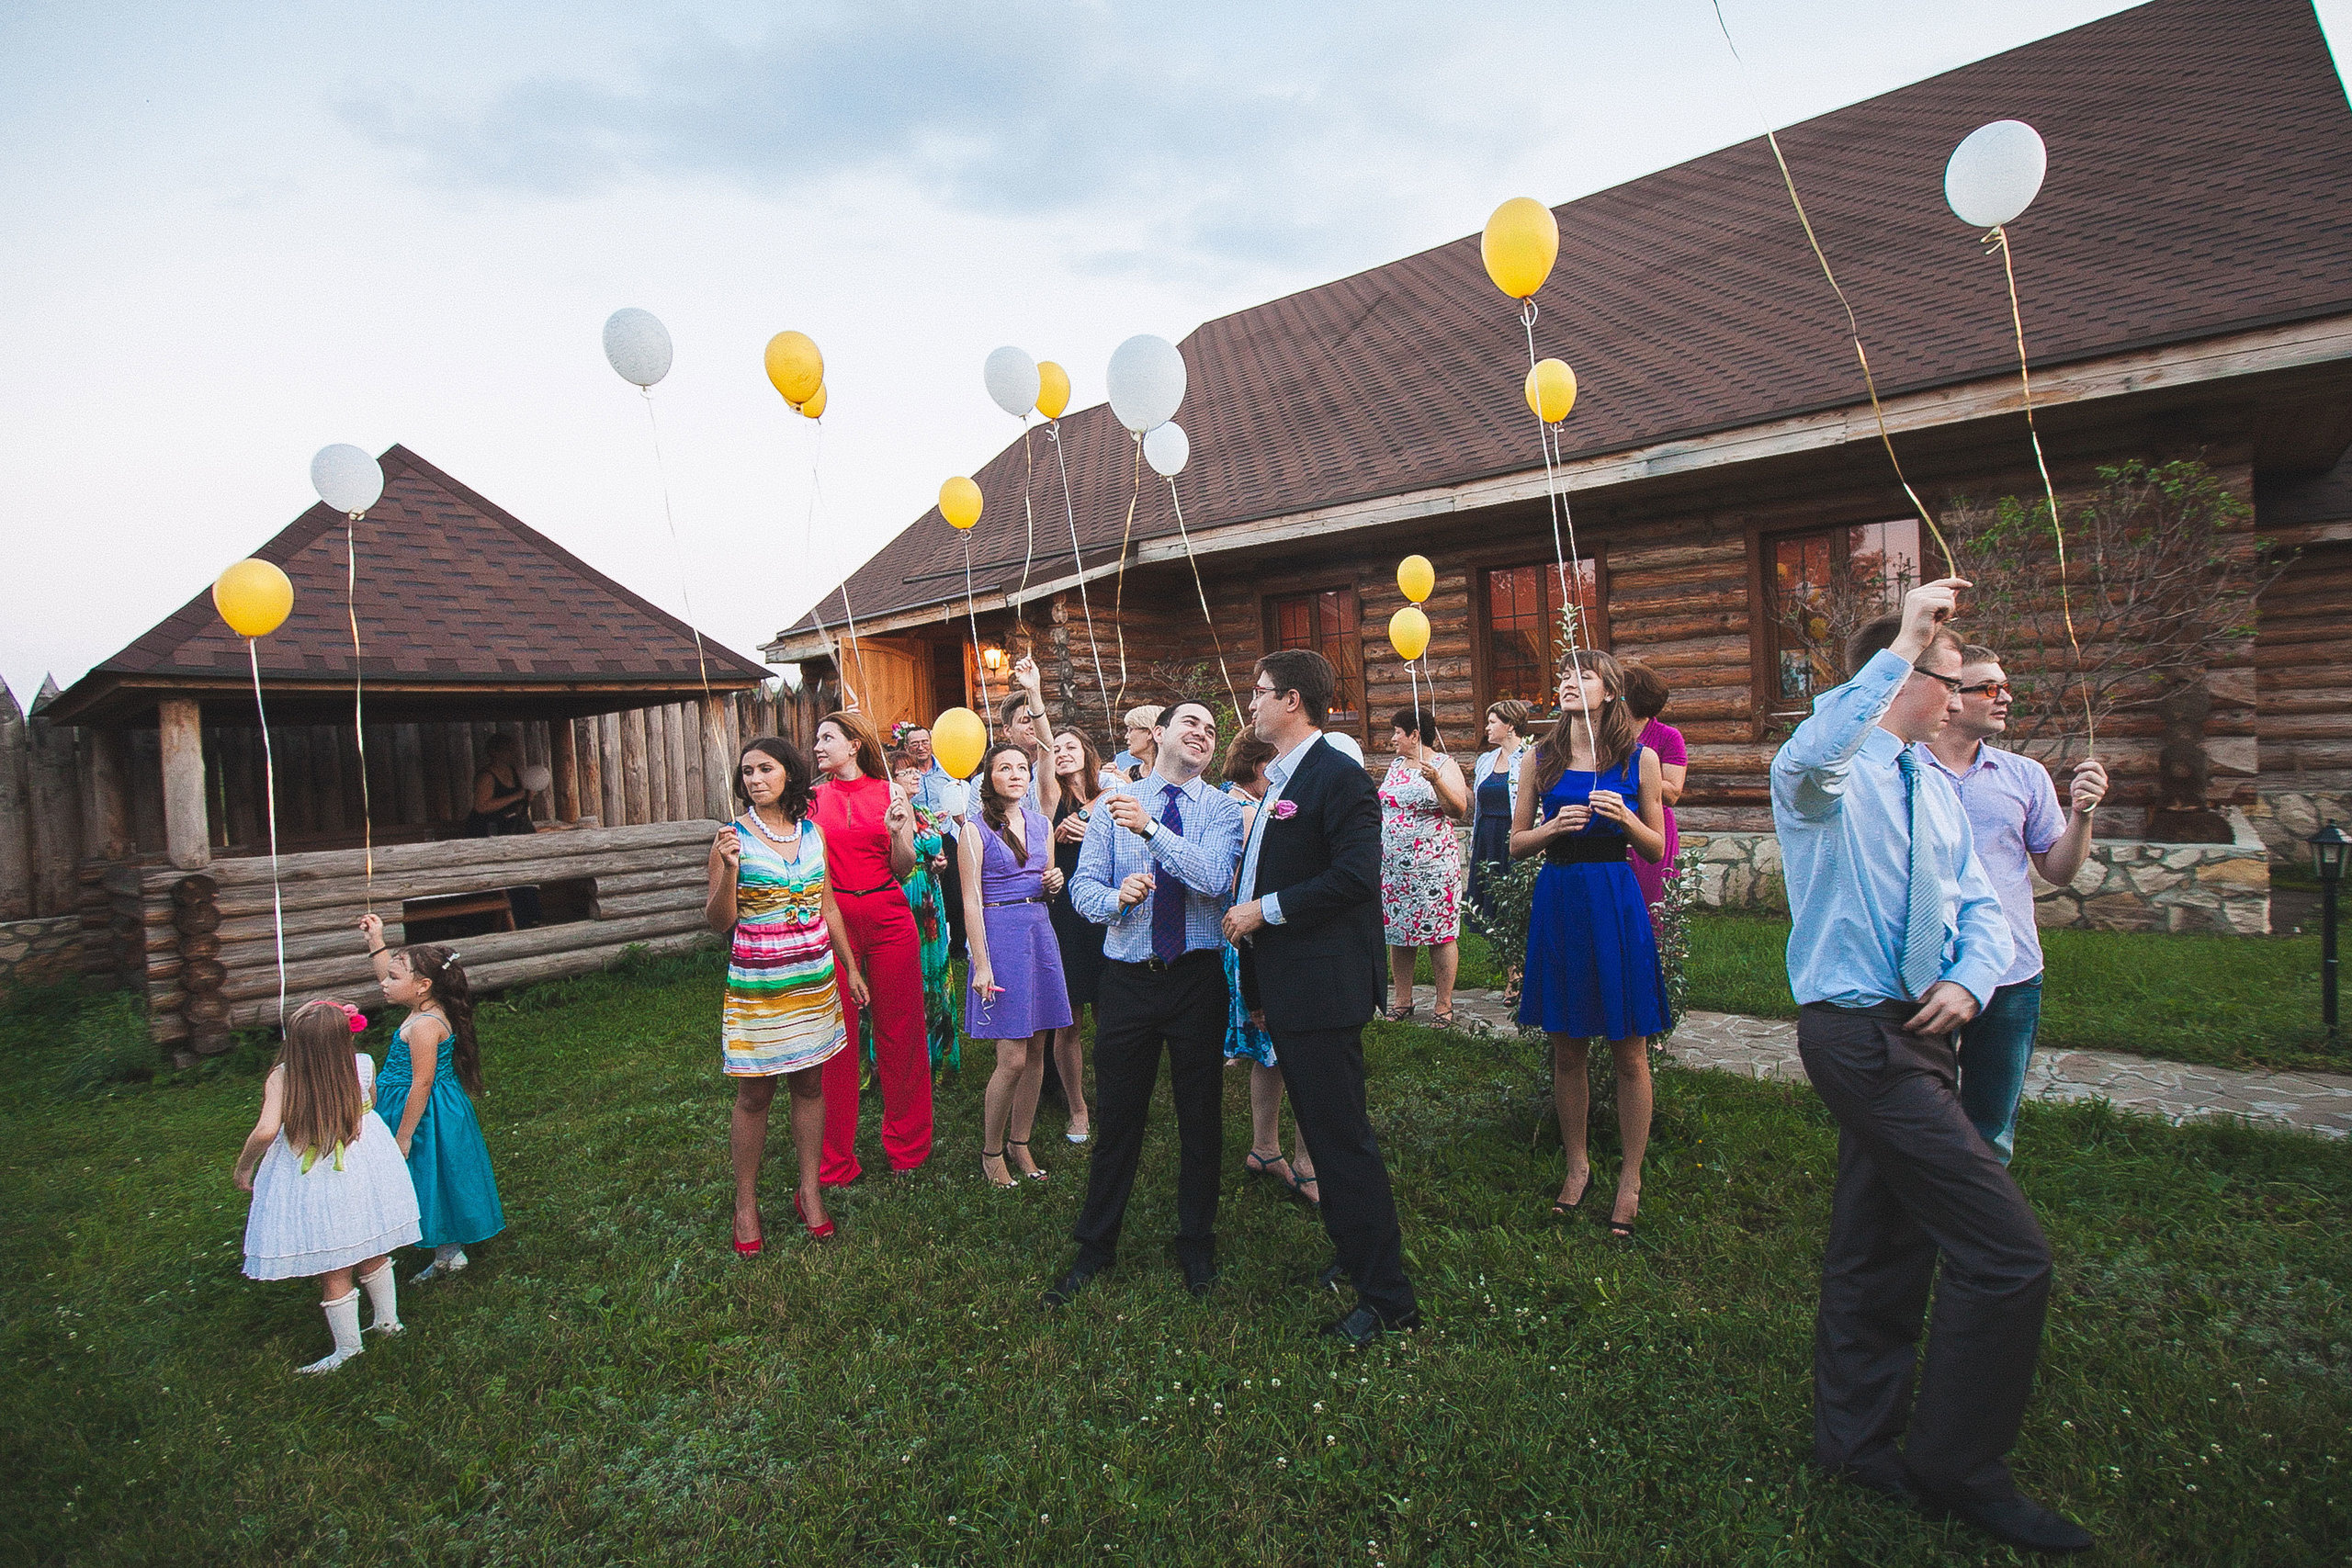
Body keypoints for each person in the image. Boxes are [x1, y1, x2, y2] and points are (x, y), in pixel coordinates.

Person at [1773, 580, 2087, 1556]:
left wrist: (1969, 978)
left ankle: (1854, 1444)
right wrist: (1905, 637)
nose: (1959, 700)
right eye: (1947, 681)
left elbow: (1982, 907)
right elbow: (1813, 754)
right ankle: (1961, 1469)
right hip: (1857, 1035)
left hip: (1924, 1033)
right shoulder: (1828, 773)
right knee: (2008, 1253)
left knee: (1881, 1242)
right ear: (1904, 675)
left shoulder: (1934, 788)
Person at [1225, 650, 1420, 1344]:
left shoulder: (1338, 777)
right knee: (1326, 1132)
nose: (1251, 702)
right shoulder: (1283, 777)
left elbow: (1355, 877)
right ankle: (1354, 1248)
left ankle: (1388, 1297)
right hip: (1290, 987)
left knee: (1342, 1141)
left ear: (1294, 701)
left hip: (1325, 987)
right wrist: (1258, 986)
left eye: (1260, 691)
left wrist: (1264, 911)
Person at [1047, 697, 1246, 1303]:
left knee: (1200, 1118)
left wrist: (1152, 831)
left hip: (1196, 979)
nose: (1203, 733)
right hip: (1128, 980)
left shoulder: (1222, 808)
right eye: (1191, 722)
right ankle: (1095, 1246)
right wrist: (1116, 899)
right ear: (1158, 733)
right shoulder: (1113, 805)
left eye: (1211, 729)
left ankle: (1197, 1244)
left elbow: (1213, 880)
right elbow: (1083, 887)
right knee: (1120, 1117)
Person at [1921, 647, 2109, 1163]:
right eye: (1988, 688)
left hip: (2011, 972)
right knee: (1920, 1118)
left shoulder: (2024, 775)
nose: (2004, 697)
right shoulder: (1905, 770)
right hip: (1924, 971)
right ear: (1951, 696)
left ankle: (1983, 1203)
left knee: (1991, 1125)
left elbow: (2058, 871)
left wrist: (2083, 814)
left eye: (2005, 687)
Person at [1510, 651, 1669, 1240]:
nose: (1569, 682)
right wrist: (1551, 828)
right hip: (1560, 898)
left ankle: (1630, 1177)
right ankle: (1577, 1166)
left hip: (1614, 898)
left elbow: (1655, 848)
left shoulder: (1640, 758)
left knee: (1630, 1050)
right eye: (1563, 675)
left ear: (1611, 691)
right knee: (1567, 1048)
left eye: (1584, 675)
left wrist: (1625, 819)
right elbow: (1515, 842)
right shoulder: (1540, 758)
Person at [707, 738, 865, 1248]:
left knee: (810, 1086)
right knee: (755, 1093)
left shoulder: (813, 834)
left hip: (813, 978)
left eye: (765, 769)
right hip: (760, 982)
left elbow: (828, 905)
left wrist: (851, 968)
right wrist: (730, 870)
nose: (754, 779)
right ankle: (745, 1204)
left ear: (789, 775)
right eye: (747, 771)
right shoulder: (730, 838)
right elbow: (719, 921)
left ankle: (809, 1191)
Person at [232, 998, 422, 1373]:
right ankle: (388, 1323)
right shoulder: (362, 1064)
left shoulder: (283, 1077)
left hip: (316, 1178)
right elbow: (370, 1102)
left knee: (335, 1265)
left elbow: (267, 1130)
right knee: (371, 1245)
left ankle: (349, 1349)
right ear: (344, 1038)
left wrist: (244, 1166)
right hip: (365, 1168)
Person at [809, 710, 932, 1185]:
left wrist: (900, 833)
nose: (818, 746)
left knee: (901, 1032)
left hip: (888, 916)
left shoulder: (890, 792)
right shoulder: (811, 800)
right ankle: (835, 1159)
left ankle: (909, 1148)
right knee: (835, 1039)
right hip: (833, 920)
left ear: (854, 745)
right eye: (817, 739)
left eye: (827, 738)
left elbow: (904, 867)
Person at [356, 920, 504, 1281]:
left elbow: (422, 1082)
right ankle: (443, 1248)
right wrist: (376, 940)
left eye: (393, 978)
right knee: (431, 1175)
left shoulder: (424, 1025)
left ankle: (449, 1253)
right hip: (421, 1106)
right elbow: (395, 978)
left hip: (425, 1116)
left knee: (432, 1175)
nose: (384, 983)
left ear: (422, 986)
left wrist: (404, 1135)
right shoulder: (425, 1005)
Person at [962, 742, 1075, 1186]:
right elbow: (971, 902)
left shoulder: (1042, 824)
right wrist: (982, 965)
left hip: (1039, 932)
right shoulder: (974, 831)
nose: (1015, 775)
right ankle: (991, 1152)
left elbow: (1046, 887)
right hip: (1001, 938)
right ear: (988, 778)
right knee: (1011, 1058)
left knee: (1037, 1049)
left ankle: (1020, 1142)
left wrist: (1055, 882)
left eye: (1021, 768)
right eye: (1004, 768)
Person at [1220, 729, 1317, 1205]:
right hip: (1260, 936)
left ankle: (1263, 1148)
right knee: (1293, 1052)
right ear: (1263, 767)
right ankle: (1306, 1163)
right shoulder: (1248, 809)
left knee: (1268, 1050)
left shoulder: (1252, 803)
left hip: (1250, 937)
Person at [1379, 706, 1469, 1025]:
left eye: (1397, 732)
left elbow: (1458, 809)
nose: (1393, 739)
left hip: (1433, 867)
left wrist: (1437, 782)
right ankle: (1403, 1000)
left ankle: (1443, 1004)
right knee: (1399, 932)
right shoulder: (1395, 766)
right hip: (1395, 868)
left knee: (1439, 933)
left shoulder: (1444, 765)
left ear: (1415, 735)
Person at [1045, 728, 1108, 1142]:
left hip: (1104, 910)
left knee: (1110, 1016)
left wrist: (1090, 819)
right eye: (1056, 749)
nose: (1063, 753)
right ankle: (1077, 1108)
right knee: (1069, 1019)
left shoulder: (1109, 792)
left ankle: (1112, 1096)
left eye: (1071, 746)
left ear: (1087, 751)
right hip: (1065, 913)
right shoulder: (1050, 796)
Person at [889, 751, 962, 1074]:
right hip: (903, 895)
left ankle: (937, 1051)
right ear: (892, 781)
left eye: (915, 771)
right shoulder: (888, 816)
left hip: (931, 894)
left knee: (934, 967)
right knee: (907, 970)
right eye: (906, 773)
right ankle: (904, 1055)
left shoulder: (925, 813)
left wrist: (940, 864)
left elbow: (939, 853)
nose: (915, 776)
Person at [1467, 699, 1534, 1003]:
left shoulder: (1530, 757)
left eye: (1492, 722)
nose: (1487, 727)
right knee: (1496, 909)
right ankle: (1513, 975)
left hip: (1515, 836)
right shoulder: (1486, 760)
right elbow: (1477, 803)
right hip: (1488, 839)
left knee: (1520, 907)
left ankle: (1525, 975)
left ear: (1510, 725)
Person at [1619, 663, 1689, 922]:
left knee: (1653, 901)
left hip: (1652, 824)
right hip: (1615, 823)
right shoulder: (1609, 735)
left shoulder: (1668, 736)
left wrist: (1635, 776)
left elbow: (1672, 792)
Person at [462, 732, 542, 926]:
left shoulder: (514, 772)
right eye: (506, 750)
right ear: (494, 752)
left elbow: (520, 801)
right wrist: (516, 796)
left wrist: (526, 798)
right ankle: (515, 920)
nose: (511, 754)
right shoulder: (487, 776)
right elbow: (481, 806)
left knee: (525, 873)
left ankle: (530, 918)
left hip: (514, 830)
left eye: (512, 750)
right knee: (508, 876)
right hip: (490, 832)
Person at [995, 656, 1064, 817]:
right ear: (1007, 730)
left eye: (1035, 721)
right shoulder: (983, 781)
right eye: (1025, 721)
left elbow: (1046, 745)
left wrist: (1033, 690)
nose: (1032, 726)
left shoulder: (1061, 768)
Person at [1108, 705, 1161, 783]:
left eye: (1130, 730)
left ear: (1149, 733)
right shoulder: (1130, 773)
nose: (1126, 736)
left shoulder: (1173, 774)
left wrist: (1130, 786)